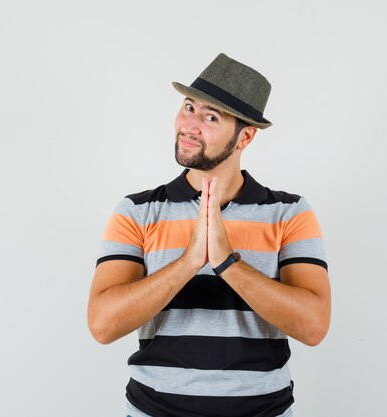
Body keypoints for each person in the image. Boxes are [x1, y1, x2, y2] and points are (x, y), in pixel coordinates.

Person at [87, 53, 331, 417]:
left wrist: (226, 262)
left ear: (245, 136)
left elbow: (313, 327)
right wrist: (188, 262)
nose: (189, 125)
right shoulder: (136, 211)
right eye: (188, 107)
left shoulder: (289, 212)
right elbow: (102, 326)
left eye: (210, 117)